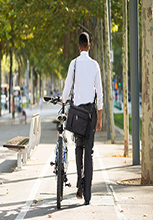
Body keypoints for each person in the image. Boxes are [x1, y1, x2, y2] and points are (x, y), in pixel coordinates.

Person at [61, 32, 103, 205]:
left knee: (78, 148)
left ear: (79, 47)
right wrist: (99, 117)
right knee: (89, 152)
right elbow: (99, 93)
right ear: (89, 46)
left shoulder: (74, 63)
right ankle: (88, 195)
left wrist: (63, 99)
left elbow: (67, 85)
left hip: (78, 113)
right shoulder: (95, 65)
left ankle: (80, 181)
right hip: (91, 112)